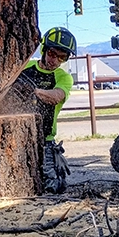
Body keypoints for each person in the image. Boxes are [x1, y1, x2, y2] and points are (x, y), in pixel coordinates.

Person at [14, 26, 76, 193]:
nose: (54, 60)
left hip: (46, 139)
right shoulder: (24, 69)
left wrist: (34, 91)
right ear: (44, 49)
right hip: (17, 137)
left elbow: (57, 96)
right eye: (52, 54)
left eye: (62, 58)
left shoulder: (63, 77)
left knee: (54, 186)